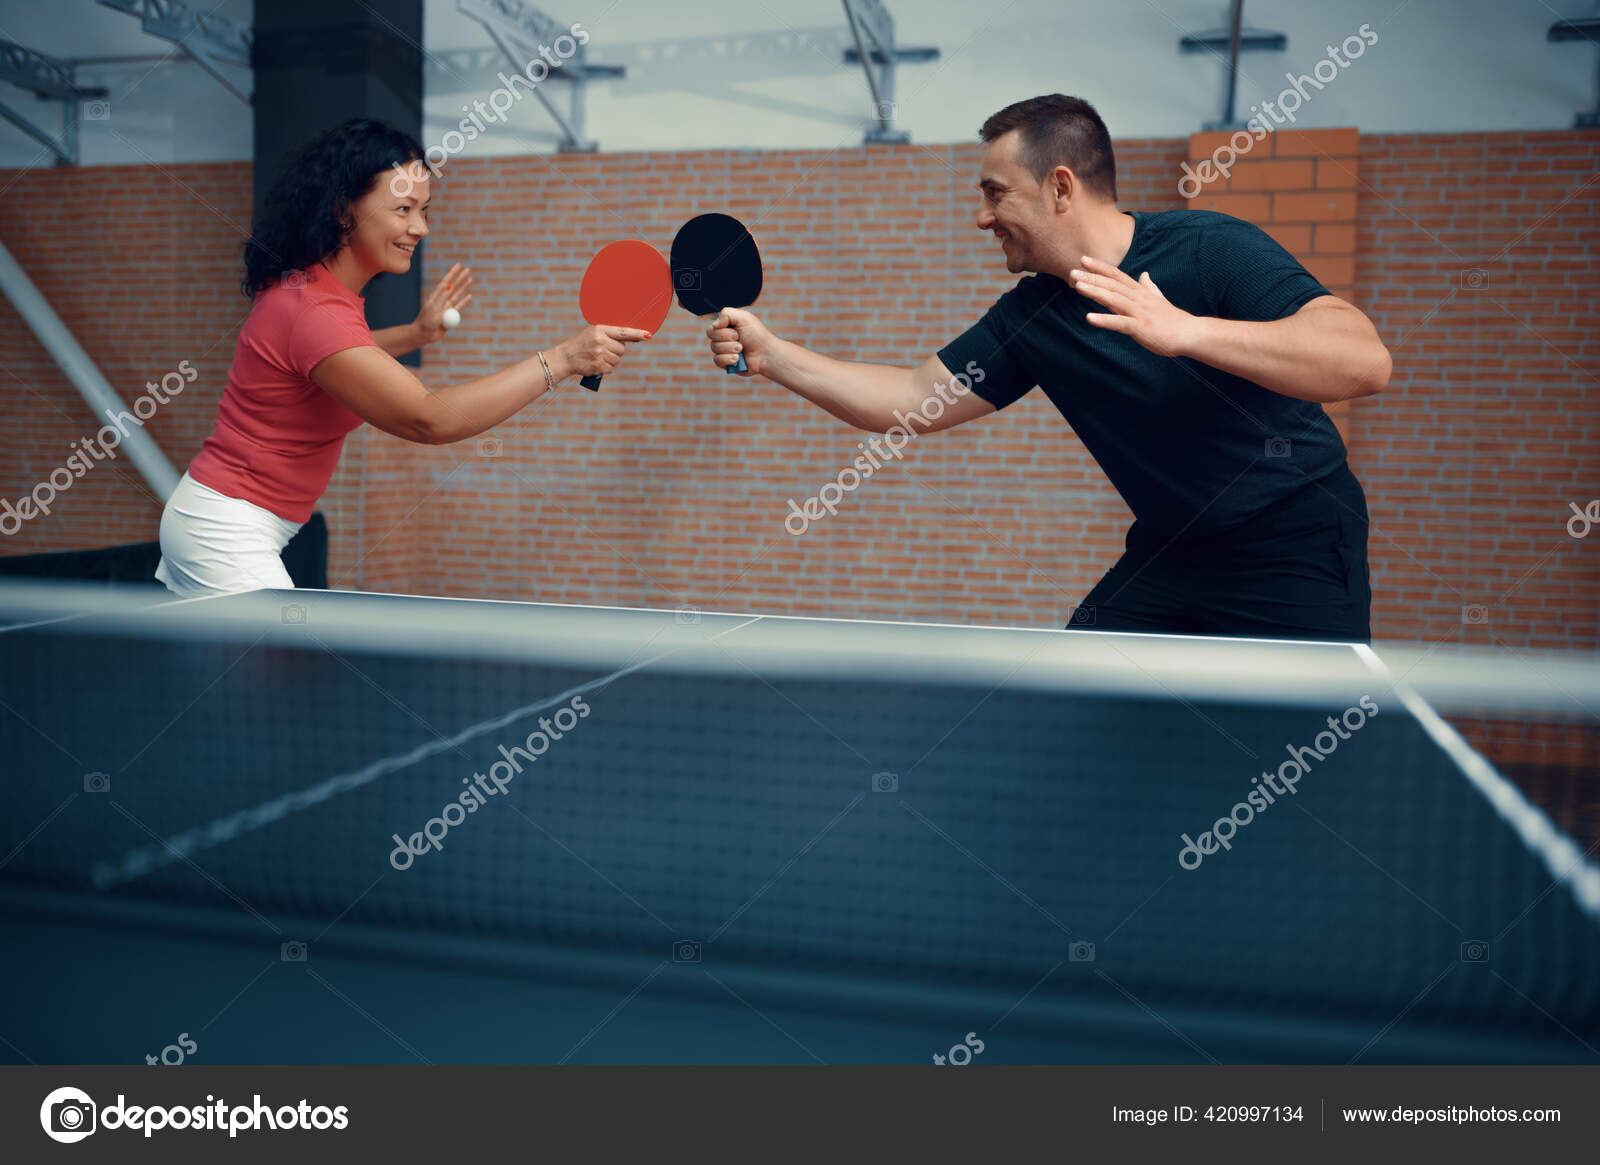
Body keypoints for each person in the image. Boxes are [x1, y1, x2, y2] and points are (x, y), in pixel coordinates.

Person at [704, 94, 1390, 641]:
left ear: (1060, 187)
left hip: (1295, 543)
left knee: (1310, 772)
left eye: (995, 192)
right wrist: (774, 356)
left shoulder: (1209, 248)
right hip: (1174, 553)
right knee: (1077, 708)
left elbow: (1363, 360)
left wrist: (1188, 332)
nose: (982, 217)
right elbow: (910, 398)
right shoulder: (1032, 317)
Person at [156, 118, 648, 597]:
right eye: (403, 209)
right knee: (274, 673)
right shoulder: (313, 312)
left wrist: (416, 334)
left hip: (226, 519)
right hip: (221, 530)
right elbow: (428, 418)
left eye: (425, 211)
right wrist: (562, 360)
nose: (420, 228)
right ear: (344, 211)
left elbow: (331, 362)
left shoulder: (316, 295)